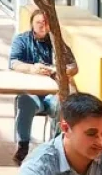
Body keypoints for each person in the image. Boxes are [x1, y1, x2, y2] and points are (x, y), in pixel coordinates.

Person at [10, 9, 79, 164]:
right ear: (32, 24)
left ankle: (54, 148)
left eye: (46, 23)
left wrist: (59, 70)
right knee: (25, 102)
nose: (42, 26)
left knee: (62, 105)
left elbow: (74, 67)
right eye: (39, 23)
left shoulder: (57, 42)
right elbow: (13, 62)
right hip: (31, 90)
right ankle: (23, 145)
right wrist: (32, 68)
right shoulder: (21, 40)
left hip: (53, 92)